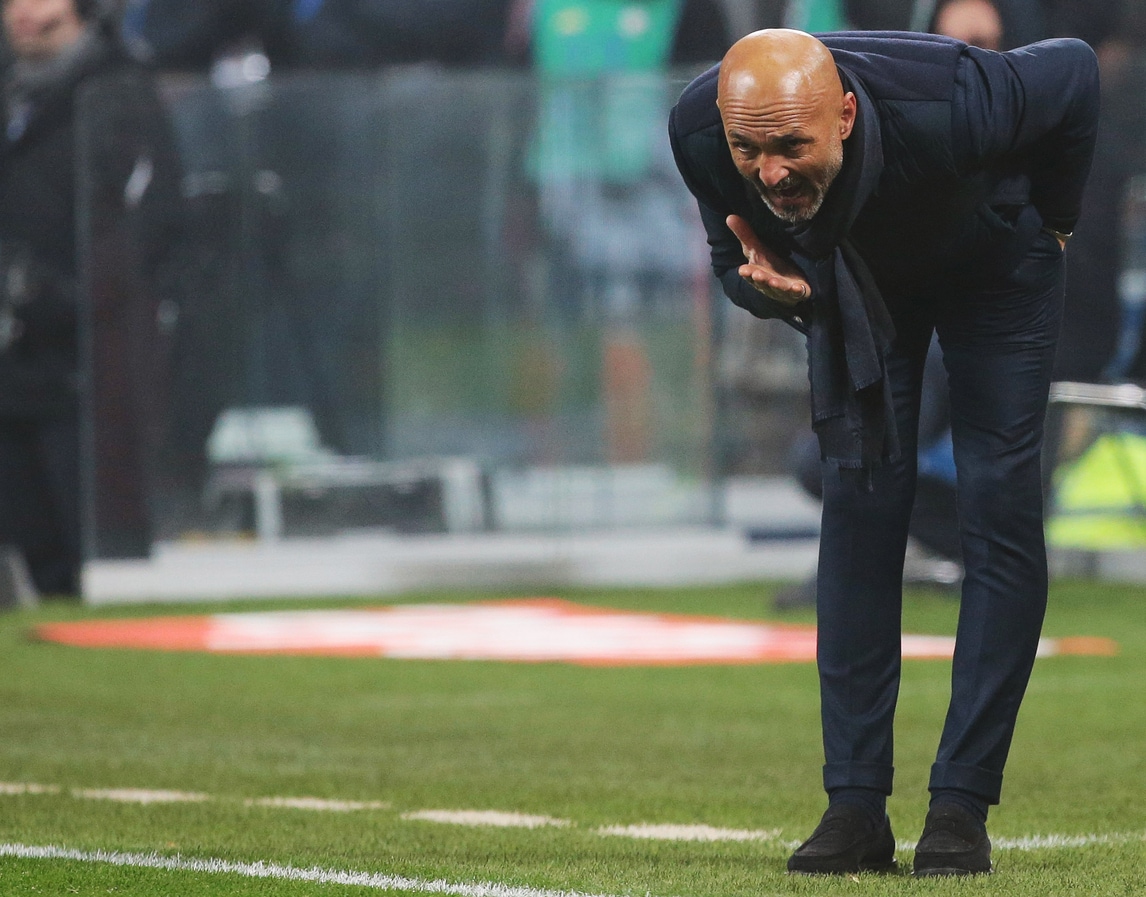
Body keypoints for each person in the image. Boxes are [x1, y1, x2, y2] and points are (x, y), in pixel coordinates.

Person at [669, 28, 1098, 876]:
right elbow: (732, 261)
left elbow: (1076, 70)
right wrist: (776, 297)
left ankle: (961, 804)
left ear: (846, 116)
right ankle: (855, 805)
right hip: (864, 277)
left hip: (996, 263)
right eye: (750, 149)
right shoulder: (700, 130)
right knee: (857, 503)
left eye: (792, 147)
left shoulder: (959, 104)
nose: (769, 173)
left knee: (997, 504)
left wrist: (1056, 221)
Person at [0, 0, 183, 593]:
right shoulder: (14, 94)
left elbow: (150, 220)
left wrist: (68, 293)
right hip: (15, 355)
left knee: (95, 538)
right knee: (31, 536)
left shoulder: (119, 92)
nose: (22, 12)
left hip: (91, 354)